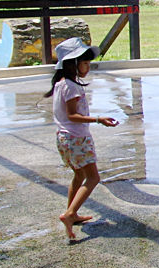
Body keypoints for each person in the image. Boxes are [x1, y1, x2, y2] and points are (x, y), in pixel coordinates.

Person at [47, 37, 117, 242]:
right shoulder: (72, 87)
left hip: (64, 138)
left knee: (78, 176)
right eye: (85, 62)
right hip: (77, 138)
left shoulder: (61, 84)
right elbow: (72, 115)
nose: (88, 66)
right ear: (72, 63)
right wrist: (98, 119)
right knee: (93, 178)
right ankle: (69, 215)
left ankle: (73, 213)